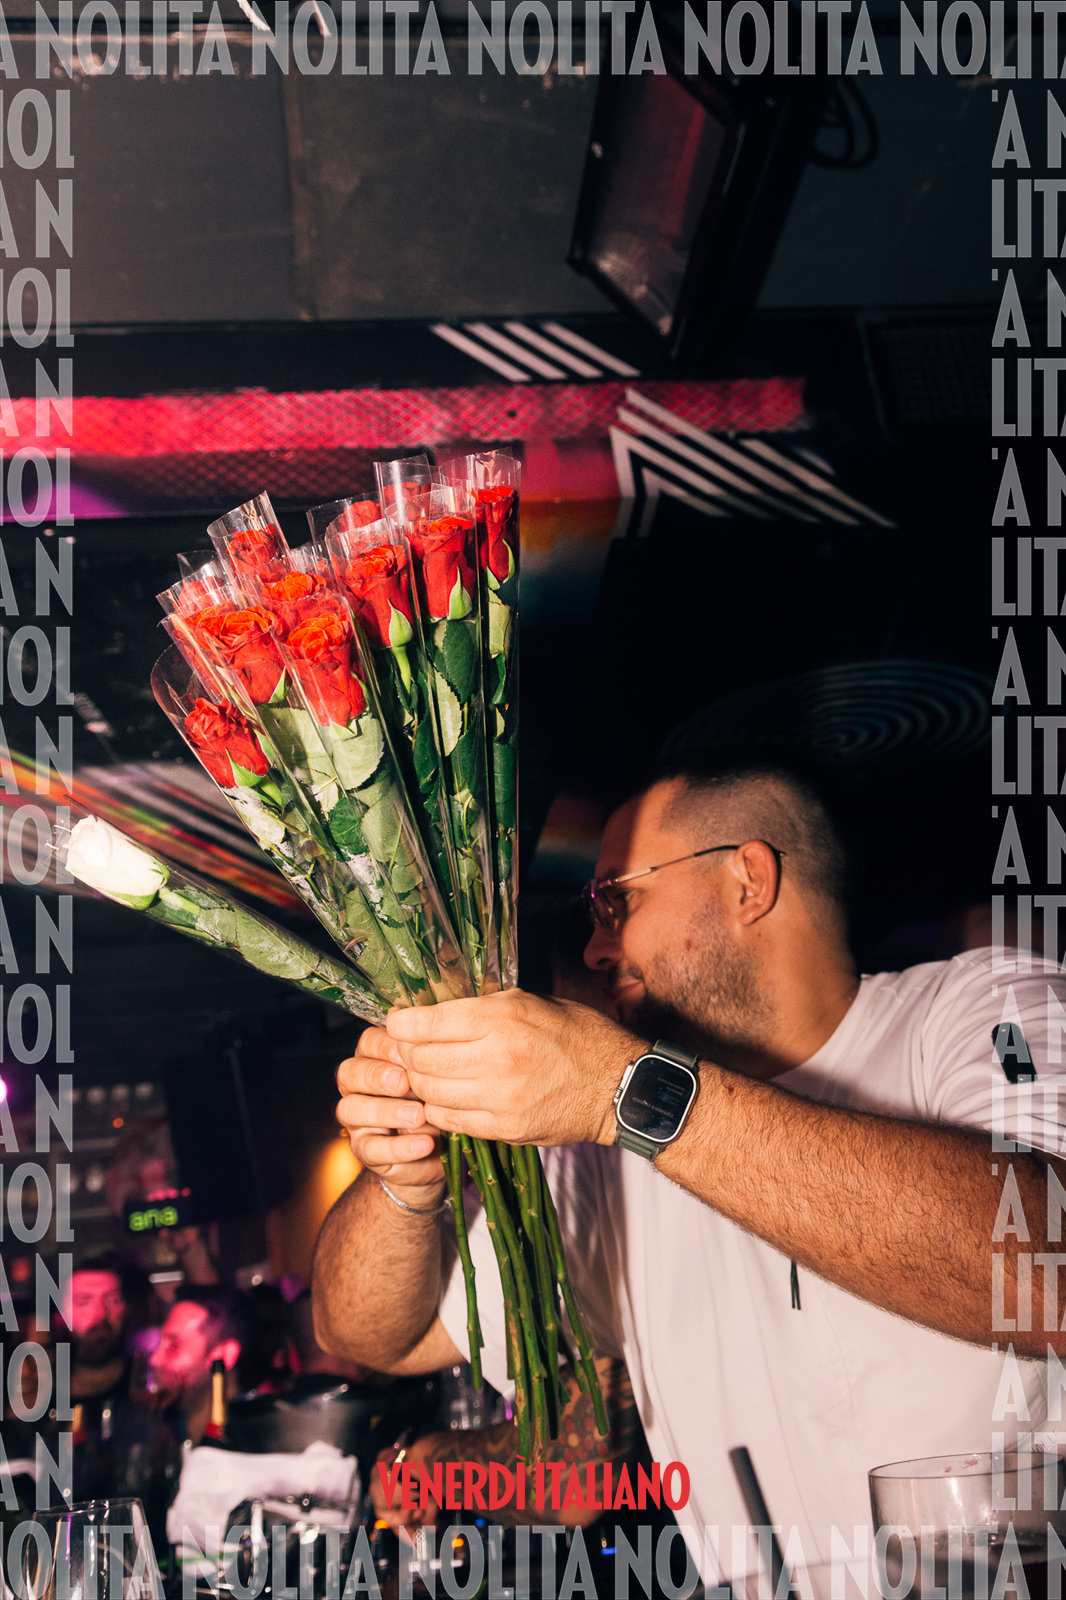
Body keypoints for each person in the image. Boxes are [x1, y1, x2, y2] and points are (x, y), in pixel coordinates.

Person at [313, 757, 1066, 1583]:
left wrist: (630, 1092)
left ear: (749, 881)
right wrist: (405, 1178)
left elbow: (1046, 1270)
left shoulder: (979, 1010)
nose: (596, 946)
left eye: (616, 901)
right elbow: (376, 1334)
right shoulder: (607, 1155)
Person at [148, 1287, 244, 1444]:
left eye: (174, 1346)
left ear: (224, 1355)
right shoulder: (164, 1435)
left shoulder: (256, 1443)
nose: (154, 1359)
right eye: (159, 1343)